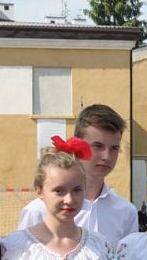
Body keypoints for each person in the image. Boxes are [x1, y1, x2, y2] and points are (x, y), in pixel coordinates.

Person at [18, 104, 137, 246]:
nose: (107, 156)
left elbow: (129, 259)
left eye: (114, 148)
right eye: (98, 146)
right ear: (78, 144)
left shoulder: (126, 212)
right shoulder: (38, 210)